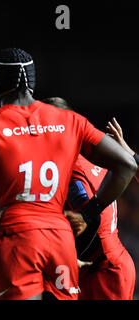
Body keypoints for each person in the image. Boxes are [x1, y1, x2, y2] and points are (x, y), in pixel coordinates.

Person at [0, 48, 137, 300]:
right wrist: (89, 212)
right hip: (60, 242)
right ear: (32, 81)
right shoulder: (72, 121)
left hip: (16, 238)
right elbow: (127, 165)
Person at [43, 97, 136, 300]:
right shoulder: (97, 150)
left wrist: (65, 258)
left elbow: (90, 221)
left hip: (101, 269)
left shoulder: (70, 165)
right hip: (108, 264)